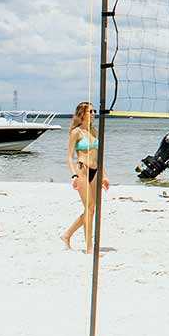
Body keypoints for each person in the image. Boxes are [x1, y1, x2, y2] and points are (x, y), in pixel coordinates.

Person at [60, 102, 109, 253]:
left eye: (94, 111)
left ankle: (67, 235)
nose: (94, 114)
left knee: (92, 209)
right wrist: (74, 175)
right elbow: (69, 157)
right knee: (89, 208)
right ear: (82, 114)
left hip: (95, 171)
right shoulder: (76, 132)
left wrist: (104, 176)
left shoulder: (94, 131)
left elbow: (99, 156)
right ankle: (89, 249)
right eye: (90, 111)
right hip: (82, 171)